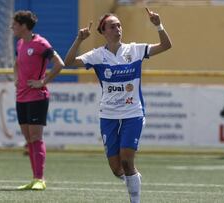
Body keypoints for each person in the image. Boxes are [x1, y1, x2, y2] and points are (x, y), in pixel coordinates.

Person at [64, 8, 172, 203]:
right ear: (103, 31)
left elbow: (166, 45)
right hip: (108, 115)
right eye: (112, 26)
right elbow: (68, 62)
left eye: (119, 25)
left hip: (133, 112)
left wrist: (158, 25)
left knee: (126, 160)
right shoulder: (97, 55)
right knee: (116, 168)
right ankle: (133, 179)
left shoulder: (135, 50)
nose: (118, 29)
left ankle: (135, 199)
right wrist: (79, 39)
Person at [11, 10, 64, 190]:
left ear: (24, 26)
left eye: (15, 24)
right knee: (28, 139)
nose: (12, 27)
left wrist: (43, 81)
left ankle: (40, 179)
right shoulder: (20, 44)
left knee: (36, 137)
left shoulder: (41, 44)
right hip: (21, 97)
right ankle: (34, 179)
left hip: (37, 97)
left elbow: (59, 63)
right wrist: (16, 77)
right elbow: (17, 63)